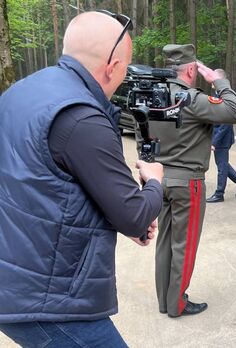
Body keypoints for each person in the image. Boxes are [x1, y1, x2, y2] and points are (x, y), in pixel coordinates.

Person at [0, 11, 164, 347]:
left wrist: (114, 215)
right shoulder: (83, 116)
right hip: (45, 298)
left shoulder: (19, 92)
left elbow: (43, 179)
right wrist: (154, 183)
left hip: (17, 276)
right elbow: (134, 214)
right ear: (112, 66)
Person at [138, 44, 236, 318]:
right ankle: (177, 304)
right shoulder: (191, 99)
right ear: (189, 69)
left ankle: (165, 300)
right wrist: (218, 81)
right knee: (183, 245)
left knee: (165, 242)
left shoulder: (151, 97)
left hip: (159, 179)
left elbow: (142, 138)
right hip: (188, 183)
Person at [206, 69, 236, 203]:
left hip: (222, 138)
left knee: (221, 165)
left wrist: (214, 142)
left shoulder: (226, 94)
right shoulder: (218, 93)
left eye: (213, 77)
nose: (211, 80)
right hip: (220, 137)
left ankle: (219, 193)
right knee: (223, 163)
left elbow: (225, 123)